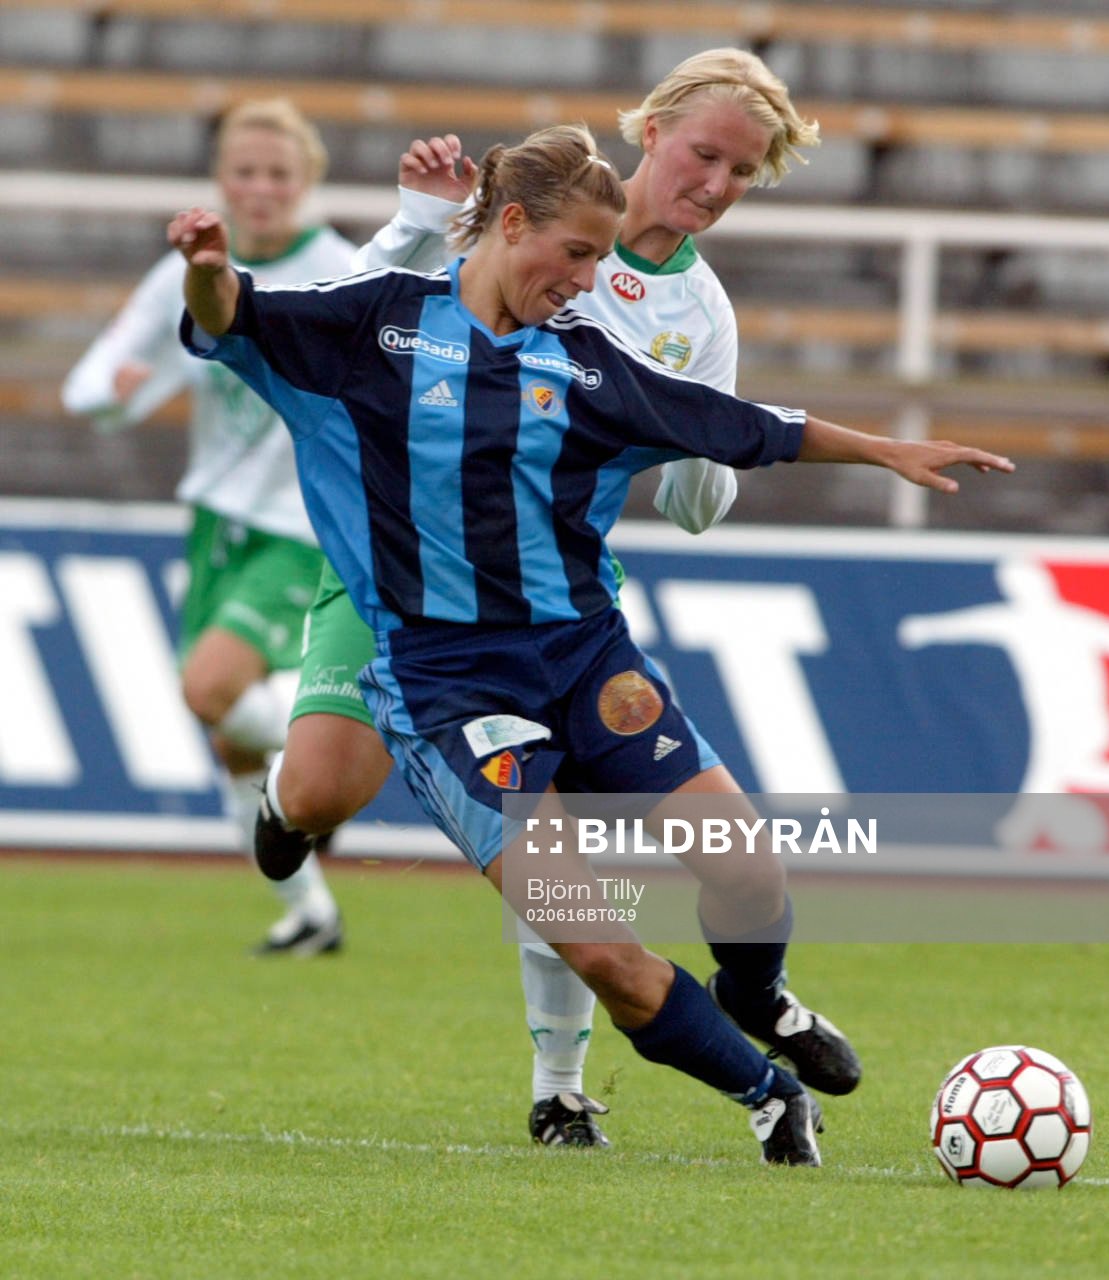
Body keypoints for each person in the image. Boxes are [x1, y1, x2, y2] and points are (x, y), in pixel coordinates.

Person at [171, 123, 1013, 1164]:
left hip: (584, 661)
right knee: (598, 942)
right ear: (509, 222)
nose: (584, 282)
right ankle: (769, 1096)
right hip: (447, 687)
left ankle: (753, 993)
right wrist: (207, 270)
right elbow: (235, 315)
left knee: (747, 866)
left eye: (597, 261)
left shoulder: (582, 363)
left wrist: (885, 450)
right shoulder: (375, 326)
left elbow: (735, 423)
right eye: (573, 255)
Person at [253, 48, 837, 1146]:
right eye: (704, 155)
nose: (715, 184)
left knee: (560, 845)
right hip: (394, 568)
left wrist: (695, 442)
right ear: (652, 131)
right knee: (325, 789)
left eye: (741, 173)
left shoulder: (700, 312)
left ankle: (561, 1088)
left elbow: (695, 497)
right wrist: (414, 218)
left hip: (552, 589)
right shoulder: (541, 207)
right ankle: (283, 813)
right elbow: (346, 314)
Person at [62, 98, 352, 954]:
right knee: (228, 736)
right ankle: (311, 914)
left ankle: (326, 764)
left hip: (301, 524)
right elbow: (99, 377)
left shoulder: (339, 269)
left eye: (278, 174)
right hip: (217, 521)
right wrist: (117, 394)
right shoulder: (189, 270)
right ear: (221, 180)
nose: (261, 188)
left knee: (208, 687)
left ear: (307, 181)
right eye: (245, 172)